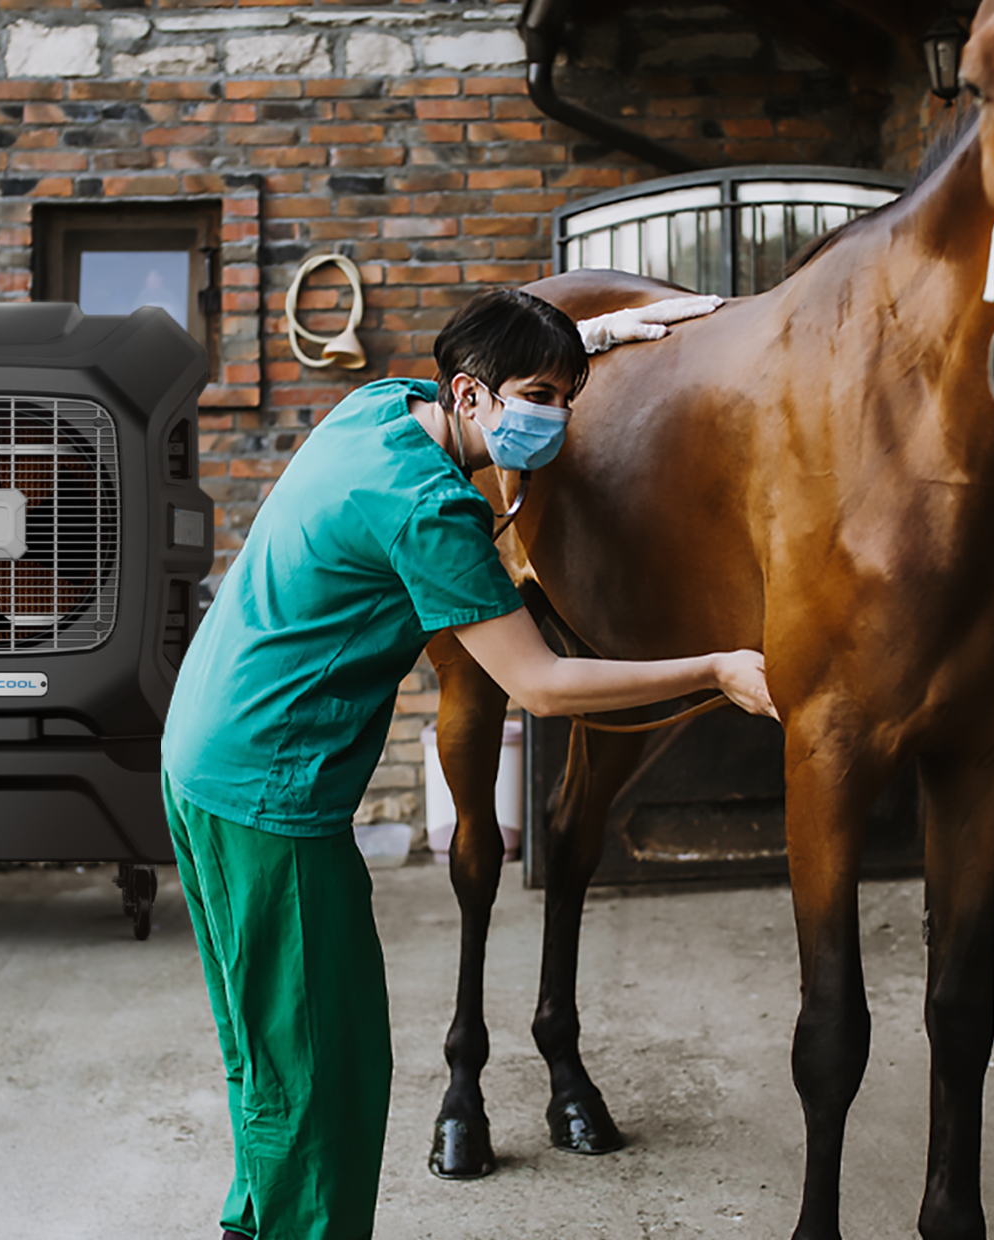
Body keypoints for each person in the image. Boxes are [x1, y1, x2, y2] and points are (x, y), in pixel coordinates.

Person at [159, 288, 778, 1240]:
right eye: (538, 395)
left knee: (268, 1054)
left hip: (198, 753)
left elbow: (482, 381)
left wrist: (595, 338)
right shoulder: (429, 510)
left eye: (567, 397)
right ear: (472, 394)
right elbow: (541, 684)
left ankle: (256, 1226)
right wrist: (717, 665)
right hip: (266, 796)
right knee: (330, 1074)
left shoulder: (375, 410)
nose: (556, 418)